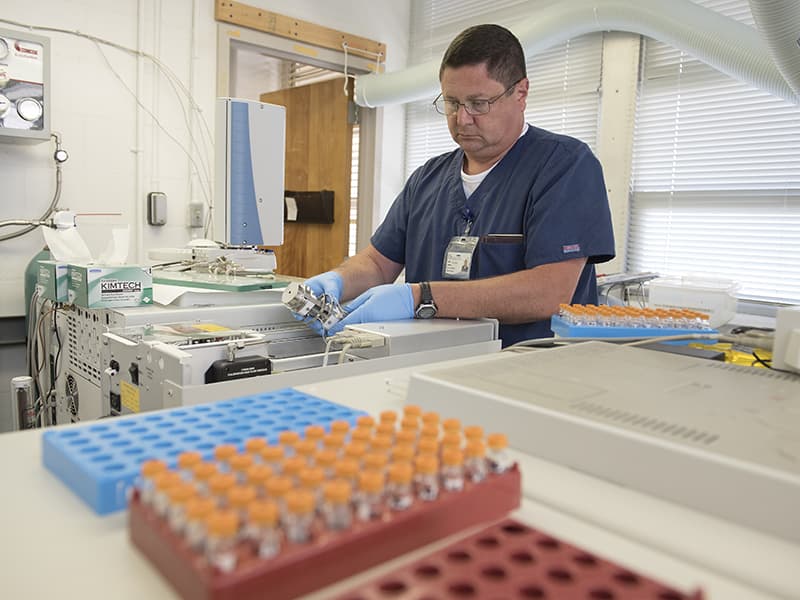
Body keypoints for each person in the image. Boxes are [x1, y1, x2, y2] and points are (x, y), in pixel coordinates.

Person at [294, 24, 615, 347]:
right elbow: (378, 263)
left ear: (521, 94)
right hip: (426, 365)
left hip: (527, 372)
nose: (462, 119)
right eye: (451, 103)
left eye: (478, 104)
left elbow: (549, 293)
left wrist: (422, 297)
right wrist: (336, 281)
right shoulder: (427, 179)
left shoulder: (564, 165)